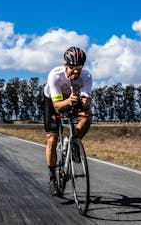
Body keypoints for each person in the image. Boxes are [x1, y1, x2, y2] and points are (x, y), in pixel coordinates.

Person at [43, 46, 93, 196]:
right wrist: (69, 102)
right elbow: (57, 107)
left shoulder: (87, 76)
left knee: (87, 116)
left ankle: (72, 142)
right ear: (65, 65)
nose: (76, 72)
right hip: (53, 101)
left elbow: (86, 98)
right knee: (52, 139)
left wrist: (85, 102)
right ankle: (52, 178)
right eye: (72, 68)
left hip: (73, 98)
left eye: (79, 68)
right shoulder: (55, 76)